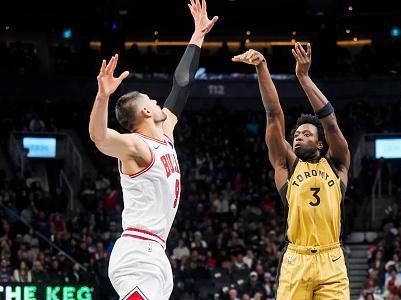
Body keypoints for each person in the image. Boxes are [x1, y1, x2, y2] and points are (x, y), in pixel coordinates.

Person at [88, 0, 218, 299]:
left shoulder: (165, 133)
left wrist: (197, 35)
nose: (159, 103)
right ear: (145, 113)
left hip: (156, 253)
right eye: (152, 101)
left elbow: (181, 85)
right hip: (137, 254)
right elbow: (99, 137)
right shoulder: (137, 146)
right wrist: (102, 97)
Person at [232, 42, 350, 299]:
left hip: (332, 260)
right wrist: (262, 67)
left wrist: (303, 77)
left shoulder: (337, 163)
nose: (297, 137)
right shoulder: (287, 165)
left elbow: (330, 122)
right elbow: (274, 114)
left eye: (306, 134)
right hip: (297, 259)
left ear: (320, 143)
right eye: (296, 134)